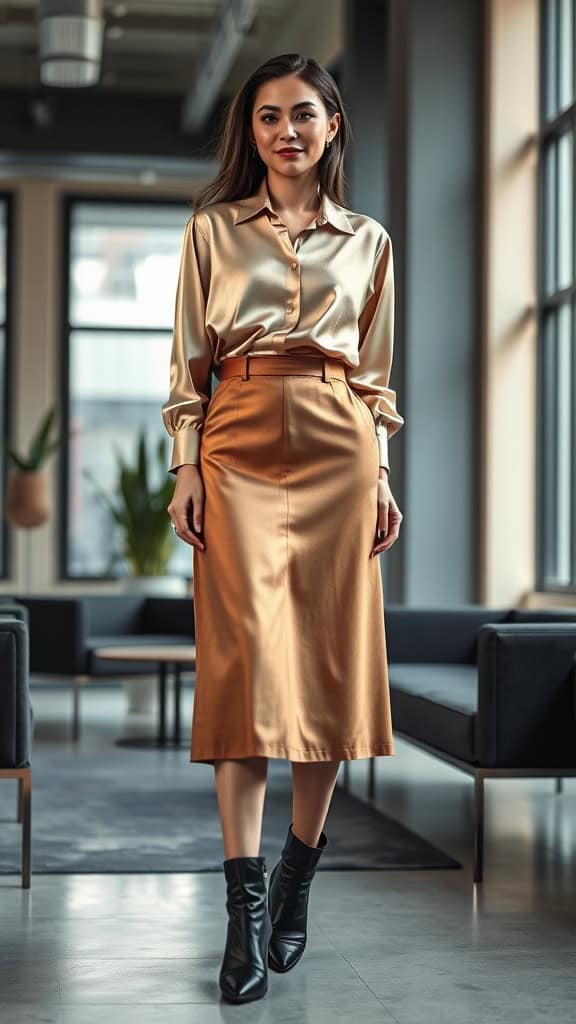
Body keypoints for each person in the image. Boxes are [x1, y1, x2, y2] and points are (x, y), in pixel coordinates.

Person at [161, 52, 404, 1005]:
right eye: (267, 117)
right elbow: (189, 364)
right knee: (242, 670)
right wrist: (186, 467)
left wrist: (382, 474)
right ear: (250, 132)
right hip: (238, 444)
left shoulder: (370, 242)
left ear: (333, 125)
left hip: (343, 448)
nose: (286, 132)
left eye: (303, 115)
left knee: (327, 666)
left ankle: (299, 872)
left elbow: (378, 380)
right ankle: (243, 911)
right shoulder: (211, 233)